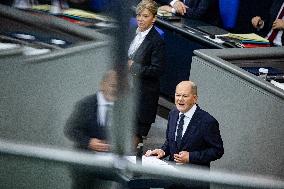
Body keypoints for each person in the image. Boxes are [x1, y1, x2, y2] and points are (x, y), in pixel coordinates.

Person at [145, 80, 224, 167]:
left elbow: (217, 150)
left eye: (185, 96)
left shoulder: (207, 121)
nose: (180, 99)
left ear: (195, 99)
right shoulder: (173, 114)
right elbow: (171, 141)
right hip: (171, 172)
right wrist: (162, 151)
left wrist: (191, 156)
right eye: (177, 95)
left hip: (193, 176)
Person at [128, 0, 165, 147]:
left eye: (145, 16)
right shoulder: (132, 33)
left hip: (143, 96)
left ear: (154, 18)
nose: (140, 19)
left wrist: (134, 67)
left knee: (132, 144)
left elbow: (158, 70)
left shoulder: (157, 41)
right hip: (126, 90)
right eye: (138, 15)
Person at [65, 69, 118, 152]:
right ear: (102, 85)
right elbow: (70, 129)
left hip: (114, 159)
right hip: (87, 158)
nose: (116, 90)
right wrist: (88, 142)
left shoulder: (124, 107)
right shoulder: (85, 104)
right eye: (113, 86)